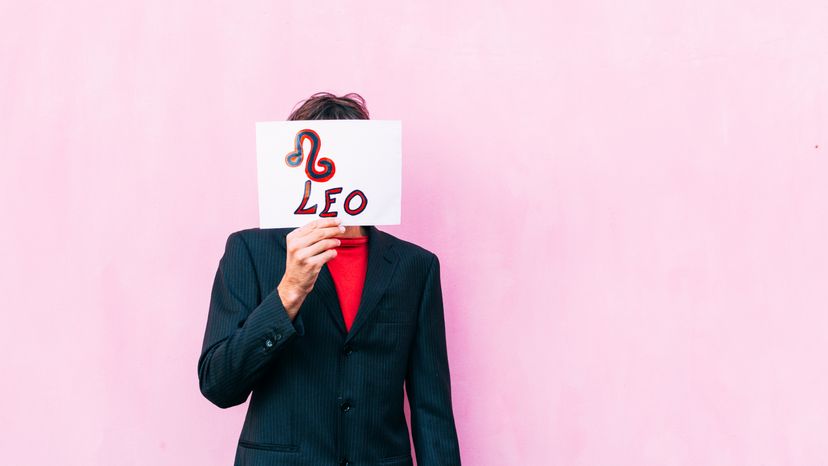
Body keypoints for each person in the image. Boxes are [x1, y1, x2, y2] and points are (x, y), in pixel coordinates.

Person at [197, 92, 461, 466]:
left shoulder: (414, 267)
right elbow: (218, 385)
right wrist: (289, 292)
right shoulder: (249, 252)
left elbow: (431, 408)